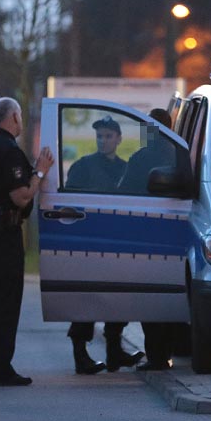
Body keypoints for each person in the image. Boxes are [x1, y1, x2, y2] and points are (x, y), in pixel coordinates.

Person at [0, 97, 54, 386]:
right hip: (2, 232)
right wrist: (40, 171)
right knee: (4, 301)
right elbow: (21, 196)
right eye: (20, 117)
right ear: (14, 117)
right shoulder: (7, 150)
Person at [65, 115, 144, 374]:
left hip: (118, 241)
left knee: (117, 298)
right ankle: (80, 355)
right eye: (99, 136)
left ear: (119, 139)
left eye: (108, 136)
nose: (103, 140)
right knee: (86, 300)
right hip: (90, 242)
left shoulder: (126, 168)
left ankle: (114, 353)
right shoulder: (83, 166)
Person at [121, 108, 181, 371]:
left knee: (149, 300)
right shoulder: (181, 155)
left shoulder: (141, 158)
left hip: (145, 234)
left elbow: (123, 192)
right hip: (176, 234)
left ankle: (156, 356)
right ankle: (167, 351)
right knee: (170, 297)